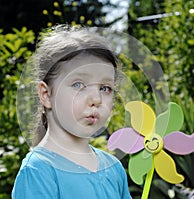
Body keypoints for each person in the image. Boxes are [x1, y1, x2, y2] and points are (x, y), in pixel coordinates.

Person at [12, 25, 132, 199]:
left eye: (105, 88)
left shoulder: (113, 167)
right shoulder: (39, 171)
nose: (96, 99)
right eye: (78, 85)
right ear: (46, 95)